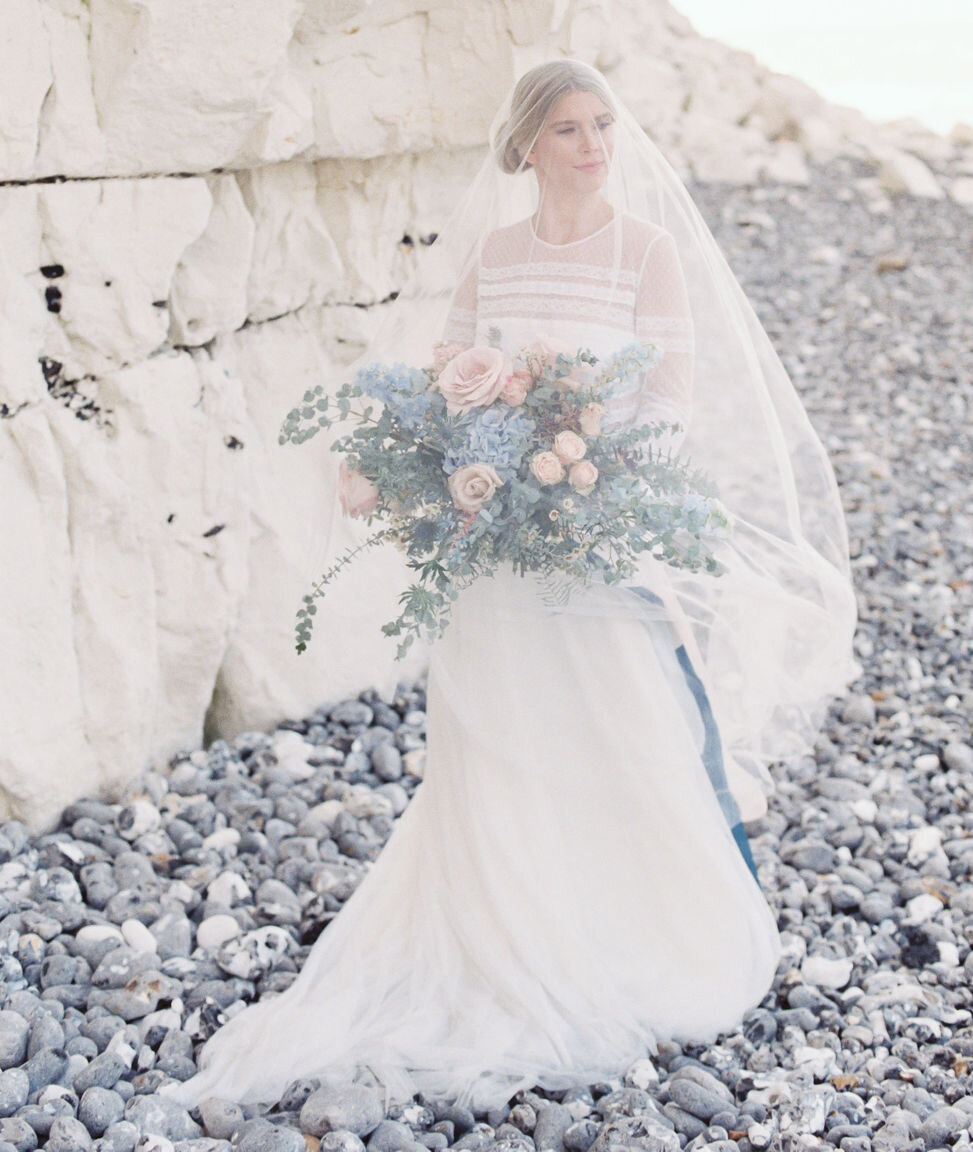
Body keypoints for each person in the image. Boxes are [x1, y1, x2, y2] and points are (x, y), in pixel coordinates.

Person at [163, 59, 858, 1115]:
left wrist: (575, 445)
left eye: (602, 126)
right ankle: (498, 929)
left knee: (613, 728)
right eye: (570, 129)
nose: (592, 146)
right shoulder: (494, 252)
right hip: (495, 544)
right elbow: (450, 370)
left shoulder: (645, 249)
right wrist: (460, 448)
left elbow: (669, 393)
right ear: (529, 143)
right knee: (499, 737)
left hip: (591, 530)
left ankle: (617, 929)